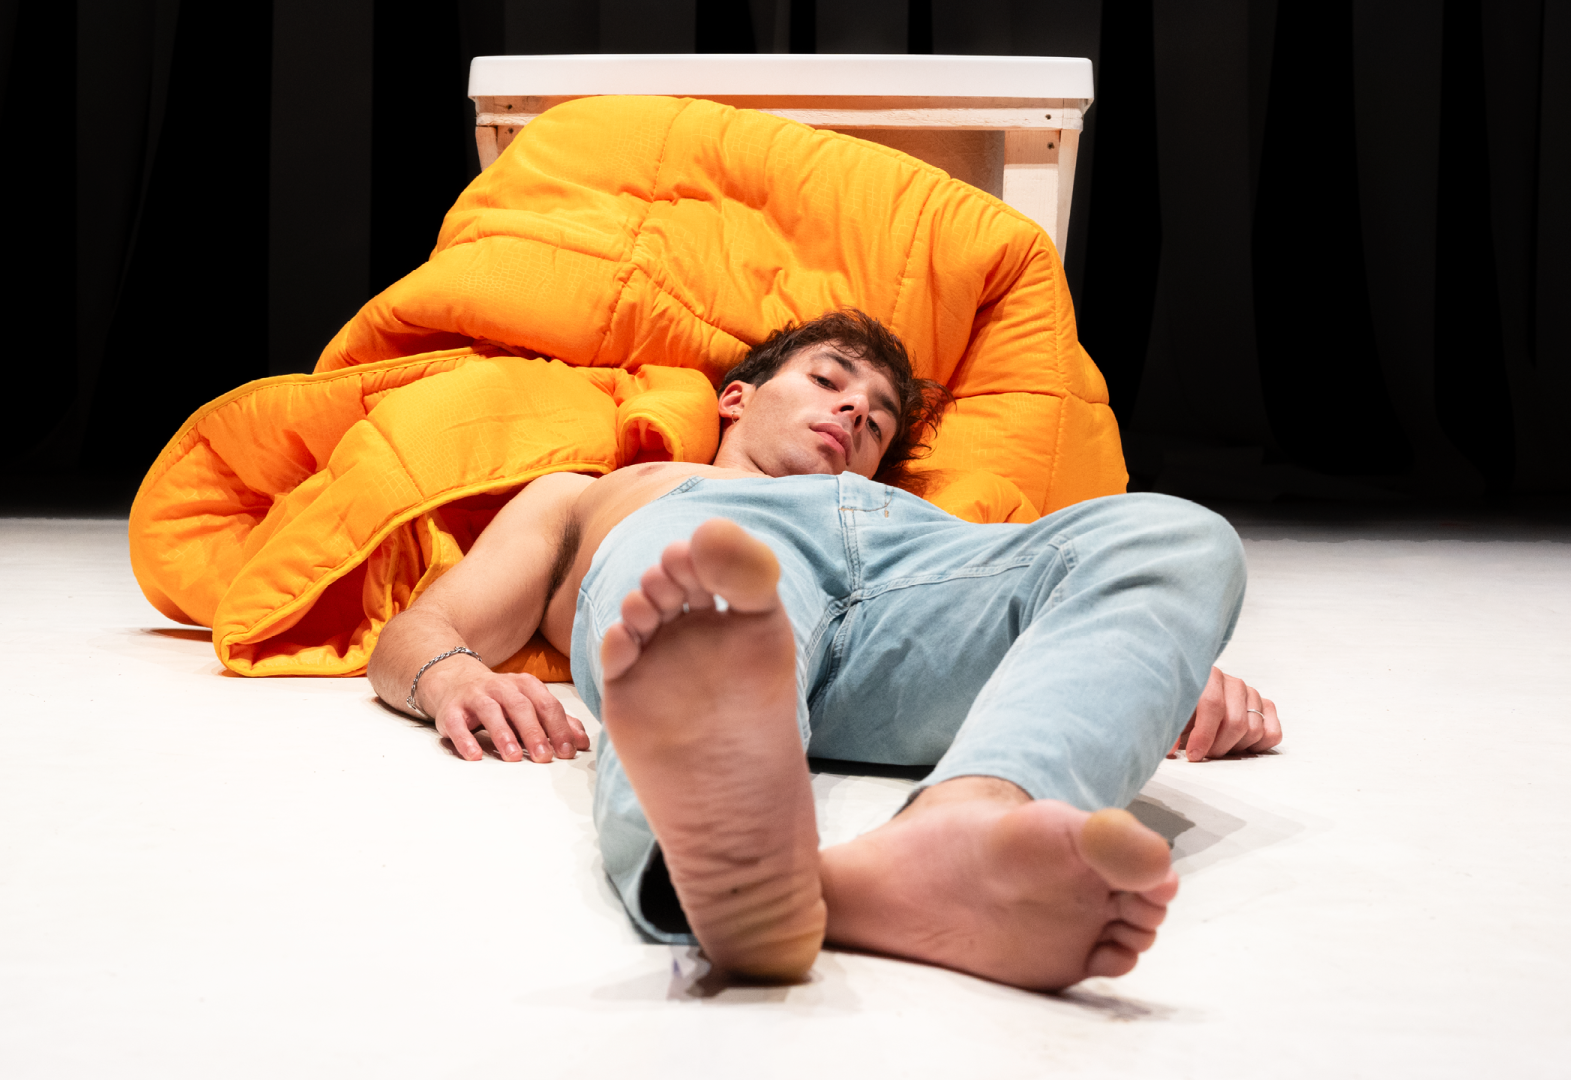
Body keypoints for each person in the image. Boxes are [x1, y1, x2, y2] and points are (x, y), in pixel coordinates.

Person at [368, 309, 1281, 990]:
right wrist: (451, 676)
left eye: (878, 421)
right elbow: (419, 629)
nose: (854, 410)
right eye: (828, 381)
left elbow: (1067, 586)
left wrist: (1145, 657)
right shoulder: (599, 492)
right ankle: (729, 864)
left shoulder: (918, 512)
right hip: (717, 559)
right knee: (707, 588)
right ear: (737, 397)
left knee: (1179, 537)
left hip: (918, 594)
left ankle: (962, 835)